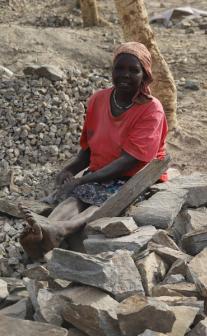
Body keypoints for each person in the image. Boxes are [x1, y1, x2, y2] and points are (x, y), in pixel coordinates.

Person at [19, 42, 168, 260]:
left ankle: (60, 231)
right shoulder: (98, 99)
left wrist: (83, 180)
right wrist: (69, 170)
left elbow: (129, 161)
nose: (125, 75)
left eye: (133, 70)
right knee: (73, 198)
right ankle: (45, 231)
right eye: (119, 68)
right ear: (112, 70)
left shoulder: (151, 109)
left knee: (101, 201)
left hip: (136, 177)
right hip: (101, 171)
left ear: (144, 75)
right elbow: (88, 150)